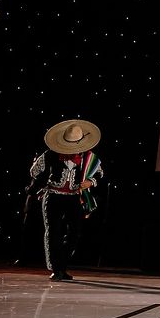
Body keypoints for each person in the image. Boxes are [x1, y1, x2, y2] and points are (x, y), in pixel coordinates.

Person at [29, 119, 103, 281]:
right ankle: (57, 269)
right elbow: (34, 171)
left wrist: (91, 181)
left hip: (74, 198)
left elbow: (99, 172)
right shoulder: (50, 155)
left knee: (75, 232)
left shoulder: (87, 157)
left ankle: (62, 264)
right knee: (53, 232)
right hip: (53, 196)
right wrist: (44, 181)